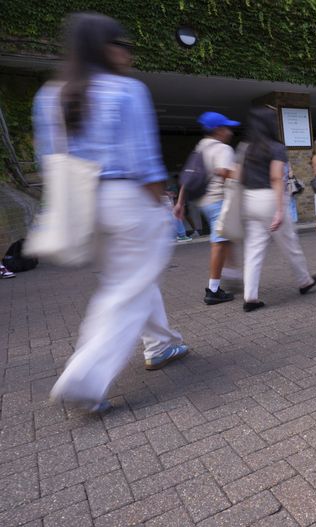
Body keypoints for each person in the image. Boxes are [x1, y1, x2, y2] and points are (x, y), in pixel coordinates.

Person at [37, 13, 187, 413]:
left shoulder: (51, 95)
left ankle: (162, 344)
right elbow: (145, 163)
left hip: (82, 203)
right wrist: (163, 203)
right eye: (122, 44)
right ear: (105, 48)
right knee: (128, 287)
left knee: (125, 280)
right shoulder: (126, 90)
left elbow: (48, 161)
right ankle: (85, 377)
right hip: (128, 199)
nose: (127, 53)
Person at [239, 107, 316, 312]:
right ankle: (304, 280)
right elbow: (276, 177)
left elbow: (238, 176)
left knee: (253, 250)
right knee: (289, 243)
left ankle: (250, 296)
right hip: (269, 199)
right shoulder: (275, 147)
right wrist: (279, 210)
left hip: (250, 198)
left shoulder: (247, 148)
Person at [174, 111, 241, 304]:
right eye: (227, 127)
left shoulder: (200, 148)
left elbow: (188, 177)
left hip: (203, 202)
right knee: (219, 242)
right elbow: (223, 171)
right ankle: (213, 290)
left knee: (226, 238)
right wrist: (245, 176)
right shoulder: (222, 149)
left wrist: (180, 202)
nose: (230, 131)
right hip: (218, 200)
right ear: (218, 130)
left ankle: (232, 274)